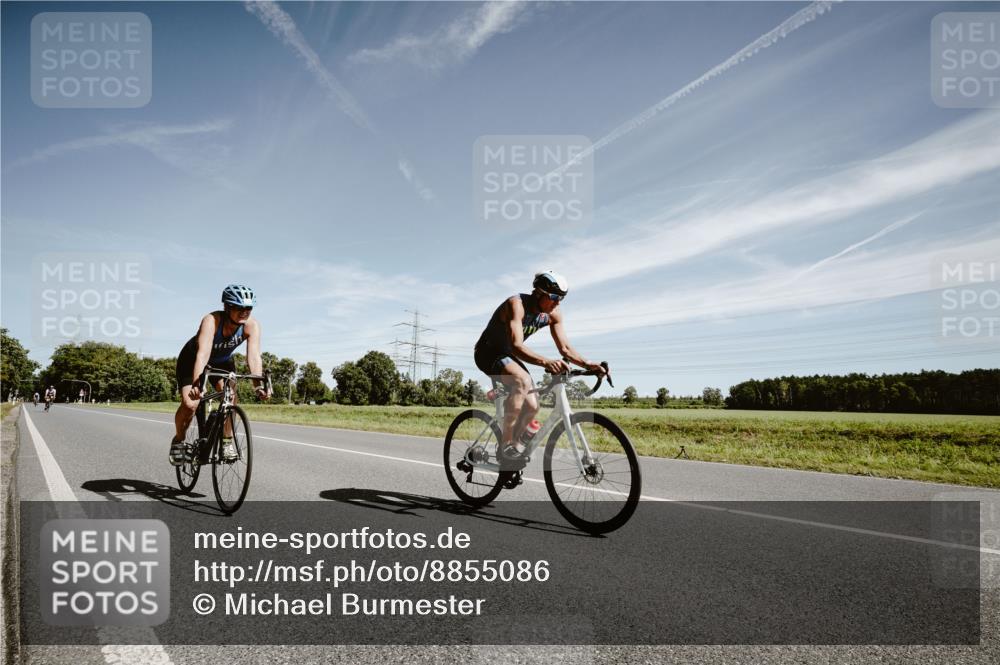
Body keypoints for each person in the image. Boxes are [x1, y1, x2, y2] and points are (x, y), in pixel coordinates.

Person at [473, 270, 606, 467]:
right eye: (553, 297)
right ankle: (505, 447)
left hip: (507, 355)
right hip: (488, 352)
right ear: (538, 292)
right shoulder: (515, 305)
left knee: (533, 406)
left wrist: (589, 365)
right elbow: (517, 345)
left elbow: (566, 349)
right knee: (522, 381)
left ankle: (514, 453)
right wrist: (546, 362)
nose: (557, 302)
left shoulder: (553, 314)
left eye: (561, 298)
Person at [169, 284, 271, 466]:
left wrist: (258, 386)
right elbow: (203, 354)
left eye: (248, 308)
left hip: (222, 361)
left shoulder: (252, 326)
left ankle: (226, 440)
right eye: (239, 307)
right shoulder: (212, 320)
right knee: (190, 404)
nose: (244, 312)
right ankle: (178, 439)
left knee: (231, 397)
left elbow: (254, 357)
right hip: (192, 360)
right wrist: (197, 384)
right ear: (227, 307)